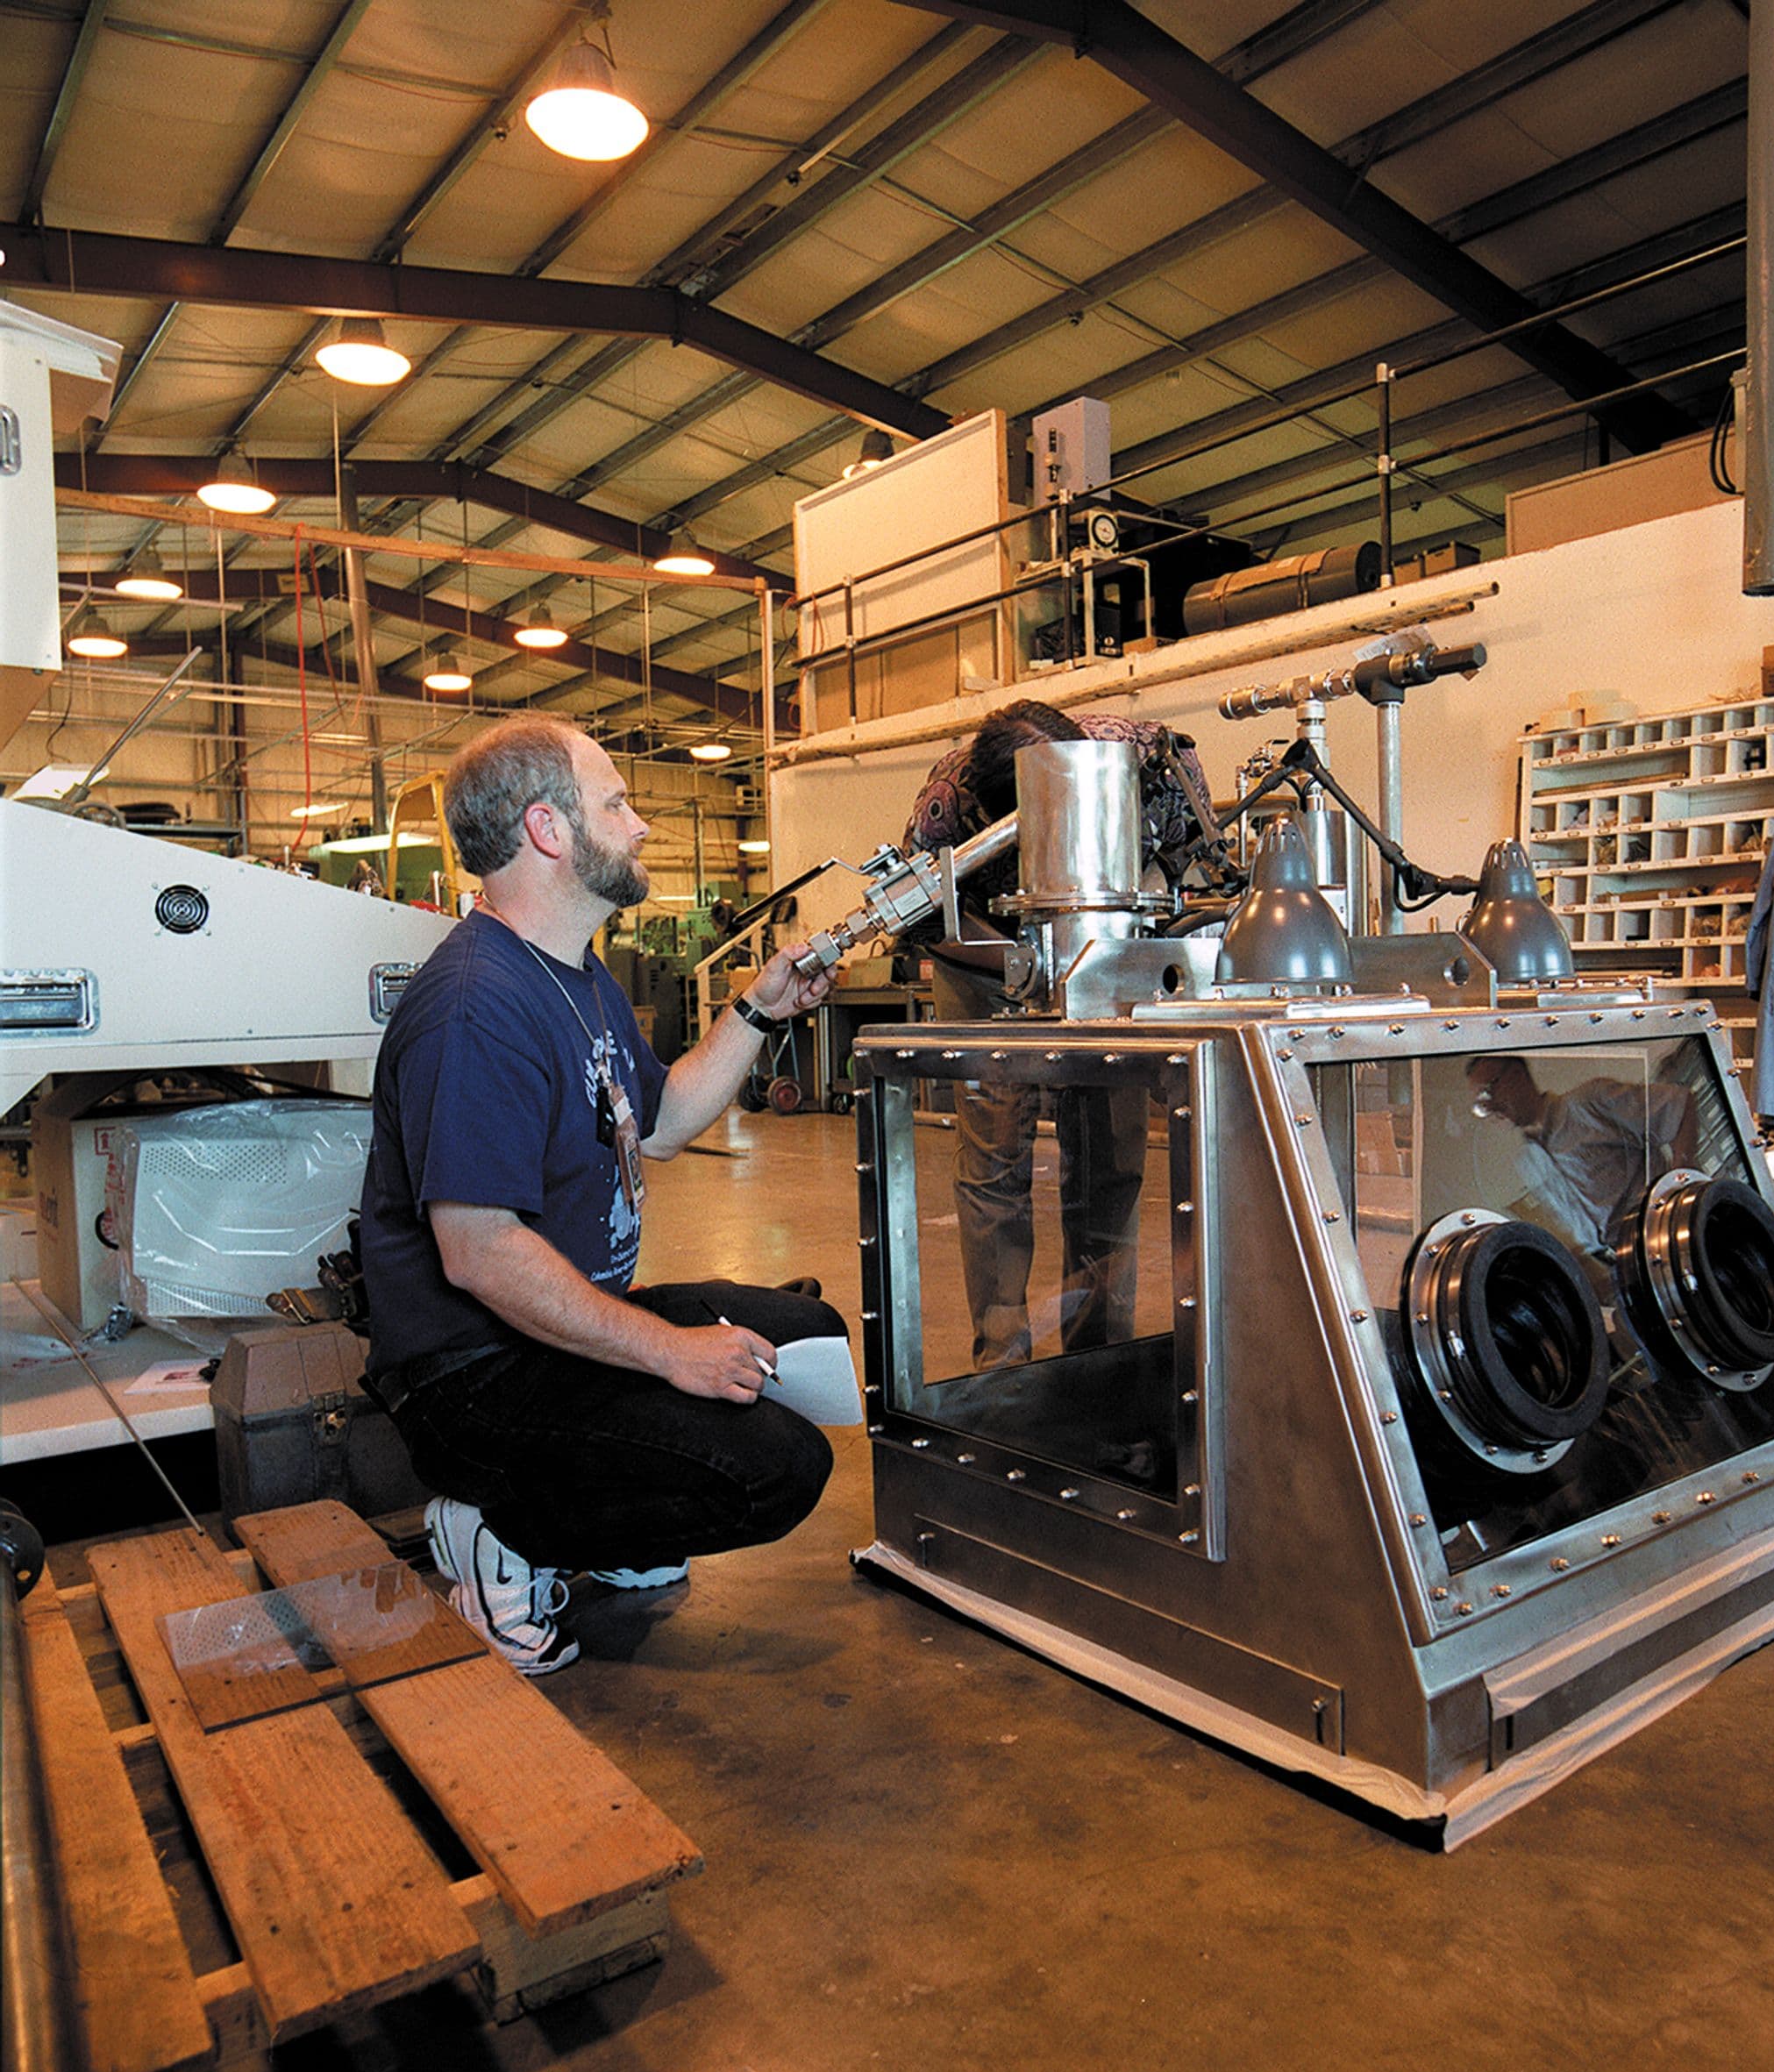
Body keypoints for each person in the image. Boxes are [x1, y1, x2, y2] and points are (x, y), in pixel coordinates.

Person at [359, 714, 844, 1675]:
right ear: (547, 830)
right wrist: (669, 1354)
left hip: (554, 1335)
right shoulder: (476, 1006)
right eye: (615, 803)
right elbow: (480, 1252)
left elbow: (656, 1125)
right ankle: (506, 1533)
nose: (639, 827)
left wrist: (755, 1007)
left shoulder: (576, 976)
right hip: (473, 1375)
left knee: (794, 1341)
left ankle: (601, 1523)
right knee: (776, 1467)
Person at [904, 701, 1211, 1369]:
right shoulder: (949, 800)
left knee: (1111, 1160)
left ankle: (1097, 1360)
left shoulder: (1162, 770)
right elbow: (921, 917)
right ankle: (1002, 1363)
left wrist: (1113, 955)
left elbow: (1196, 874)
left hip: (1109, 957)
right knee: (994, 1168)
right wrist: (1026, 963)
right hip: (987, 961)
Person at [1464, 1053, 1699, 1255]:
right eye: (1480, 1104)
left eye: (1489, 1091)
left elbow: (1681, 1105)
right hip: (1623, 1263)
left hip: (1668, 1233)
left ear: (1517, 1076)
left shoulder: (1590, 1102)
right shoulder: (1529, 1164)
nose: (1490, 1108)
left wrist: (1677, 1197)